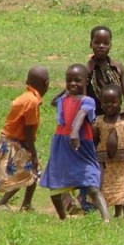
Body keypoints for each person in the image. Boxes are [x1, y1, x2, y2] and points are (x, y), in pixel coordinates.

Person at [39, 64, 110, 222]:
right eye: (69, 80)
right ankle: (63, 218)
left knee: (92, 184)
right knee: (56, 188)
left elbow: (81, 114)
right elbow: (53, 102)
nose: (72, 84)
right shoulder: (63, 100)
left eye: (77, 80)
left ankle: (106, 219)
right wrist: (66, 91)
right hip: (62, 148)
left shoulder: (88, 101)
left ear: (87, 81)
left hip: (81, 147)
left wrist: (74, 131)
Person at [0, 66, 49, 212]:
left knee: (31, 173)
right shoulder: (32, 102)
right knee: (31, 172)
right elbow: (28, 131)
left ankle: (26, 204)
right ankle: (8, 203)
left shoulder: (27, 97)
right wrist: (33, 153)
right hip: (15, 142)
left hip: (10, 139)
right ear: (46, 84)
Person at [94, 84, 124, 222]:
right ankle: (106, 214)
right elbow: (95, 140)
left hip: (121, 164)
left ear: (120, 102)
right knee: (105, 187)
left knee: (122, 188)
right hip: (104, 164)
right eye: (106, 102)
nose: (110, 105)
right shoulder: (99, 121)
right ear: (101, 104)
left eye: (114, 102)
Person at [86, 25, 124, 116]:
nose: (101, 46)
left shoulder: (117, 67)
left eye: (105, 43)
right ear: (91, 44)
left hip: (116, 116)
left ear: (110, 45)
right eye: (97, 43)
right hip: (94, 117)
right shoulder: (87, 69)